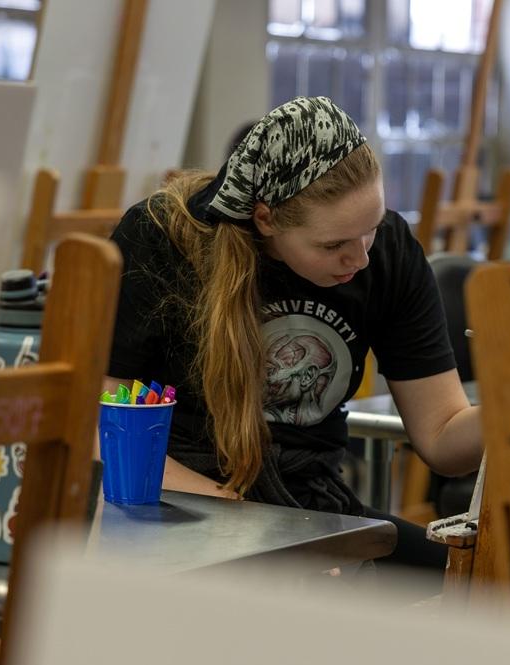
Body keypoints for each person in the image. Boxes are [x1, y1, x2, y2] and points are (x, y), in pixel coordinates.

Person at [105, 96, 482, 581]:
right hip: (175, 500)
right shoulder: (161, 239)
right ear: (266, 219)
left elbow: (444, 438)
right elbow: (100, 425)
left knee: (476, 589)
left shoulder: (386, 250)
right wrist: (251, 528)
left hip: (310, 507)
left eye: (370, 230)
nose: (361, 258)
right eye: (334, 245)